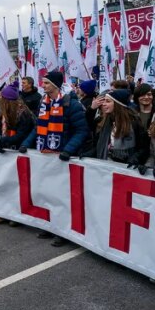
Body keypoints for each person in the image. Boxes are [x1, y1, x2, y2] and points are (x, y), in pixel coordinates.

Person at [22, 71, 90, 246]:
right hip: (44, 157)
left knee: (62, 197)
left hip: (61, 158)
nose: (42, 86)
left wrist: (68, 150)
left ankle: (63, 232)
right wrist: (27, 143)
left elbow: (82, 130)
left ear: (55, 85)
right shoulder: (43, 103)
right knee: (46, 193)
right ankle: (49, 225)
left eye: (46, 83)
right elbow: (38, 127)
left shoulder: (71, 104)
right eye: (43, 83)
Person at [93, 89, 149, 168]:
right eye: (104, 101)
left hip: (126, 168)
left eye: (108, 101)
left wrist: (135, 158)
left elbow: (144, 148)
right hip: (107, 167)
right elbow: (99, 144)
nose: (104, 104)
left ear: (117, 104)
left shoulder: (134, 122)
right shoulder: (107, 120)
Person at [0, 81, 35, 153]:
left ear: (7, 101)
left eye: (2, 98)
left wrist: (5, 140)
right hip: (9, 146)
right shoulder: (3, 111)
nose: (0, 100)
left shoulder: (23, 113)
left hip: (21, 149)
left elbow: (22, 135)